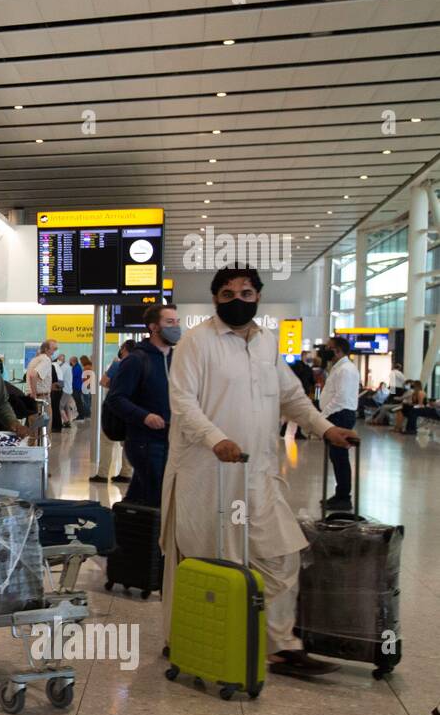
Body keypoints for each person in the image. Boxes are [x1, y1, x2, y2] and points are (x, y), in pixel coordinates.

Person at [160, 268, 359, 677]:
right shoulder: (196, 344)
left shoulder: (266, 344)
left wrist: (326, 428)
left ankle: (279, 647)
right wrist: (216, 438)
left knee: (282, 553)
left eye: (247, 292)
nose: (238, 298)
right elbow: (182, 402)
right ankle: (191, 639)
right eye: (229, 292)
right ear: (215, 299)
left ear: (258, 296)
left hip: (258, 474)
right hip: (208, 476)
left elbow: (290, 397)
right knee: (210, 562)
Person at [106, 304, 178, 507]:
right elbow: (116, 398)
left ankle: (123, 532)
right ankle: (151, 537)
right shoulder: (137, 360)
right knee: (156, 497)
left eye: (177, 322)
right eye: (170, 322)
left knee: (140, 498)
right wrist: (144, 416)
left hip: (170, 440)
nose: (176, 327)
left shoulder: (177, 359)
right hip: (144, 442)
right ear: (154, 327)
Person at [318, 336, 359, 511]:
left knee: (340, 457)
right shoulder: (339, 367)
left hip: (340, 415)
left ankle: (344, 497)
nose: (326, 350)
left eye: (329, 348)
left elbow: (341, 397)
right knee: (336, 457)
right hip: (336, 414)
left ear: (338, 350)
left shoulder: (346, 369)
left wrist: (323, 415)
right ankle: (340, 494)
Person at [92, 341, 135, 484]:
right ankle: (126, 473)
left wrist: (115, 385)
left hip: (114, 407)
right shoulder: (138, 365)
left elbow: (103, 382)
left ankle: (103, 474)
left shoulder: (117, 364)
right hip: (131, 407)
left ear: (124, 349)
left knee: (107, 440)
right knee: (127, 441)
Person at [26, 339, 58, 428]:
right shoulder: (46, 360)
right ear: (47, 349)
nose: (56, 351)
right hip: (41, 399)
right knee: (44, 433)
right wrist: (34, 393)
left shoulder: (35, 359)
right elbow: (33, 375)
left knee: (33, 433)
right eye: (54, 349)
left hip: (32, 399)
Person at [57, 350, 77, 425]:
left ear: (62, 360)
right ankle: (69, 421)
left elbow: (60, 378)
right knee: (66, 406)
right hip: (68, 389)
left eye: (59, 359)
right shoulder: (67, 366)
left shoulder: (64, 367)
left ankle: (66, 421)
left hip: (65, 390)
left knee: (60, 406)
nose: (58, 361)